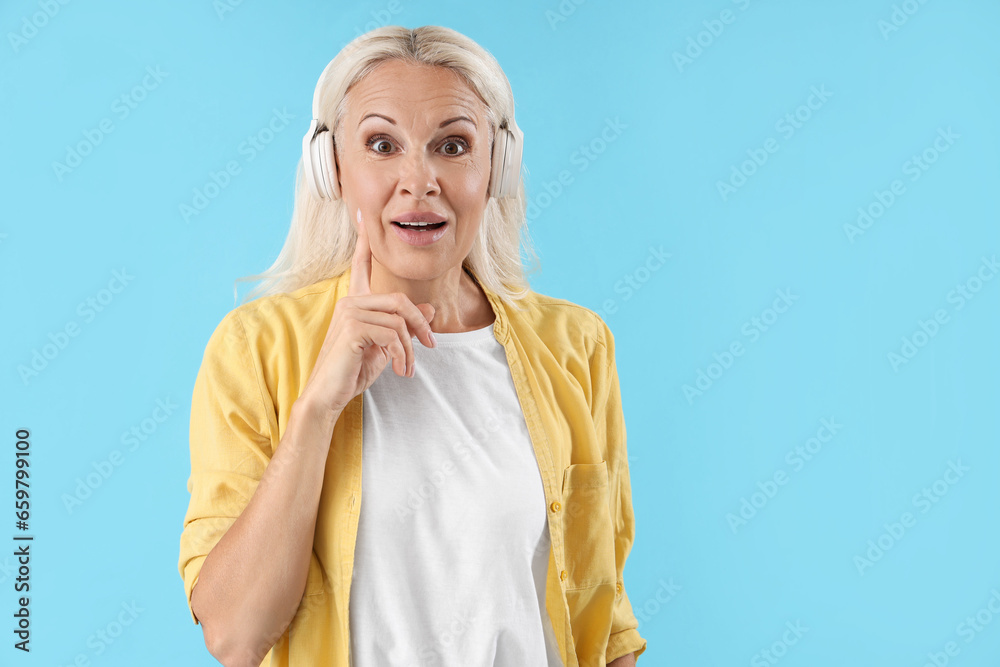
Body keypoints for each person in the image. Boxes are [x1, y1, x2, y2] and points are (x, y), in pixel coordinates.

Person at [177, 25, 646, 667]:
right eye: (381, 145)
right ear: (332, 168)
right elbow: (233, 634)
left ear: (496, 167)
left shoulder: (577, 346)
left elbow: (605, 624)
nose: (418, 180)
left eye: (452, 146)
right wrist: (317, 408)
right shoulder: (255, 350)